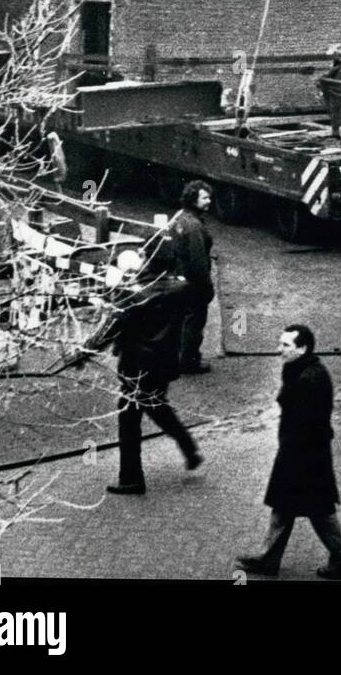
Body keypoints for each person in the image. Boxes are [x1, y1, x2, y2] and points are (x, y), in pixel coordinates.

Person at [78, 234, 203, 495]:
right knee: (157, 404)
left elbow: (111, 328)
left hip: (136, 363)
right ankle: (188, 447)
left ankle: (131, 478)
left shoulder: (134, 295)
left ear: (148, 260)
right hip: (166, 359)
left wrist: (83, 353)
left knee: (129, 417)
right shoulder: (180, 288)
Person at [237, 324, 341, 580]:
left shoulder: (309, 380)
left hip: (304, 455)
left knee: (319, 512)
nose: (278, 349)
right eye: (280, 343)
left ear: (302, 348)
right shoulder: (297, 369)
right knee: (286, 507)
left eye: (285, 345)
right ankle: (268, 558)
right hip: (301, 451)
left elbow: (305, 423)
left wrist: (289, 457)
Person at [170, 180, 215, 374]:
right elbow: (199, 261)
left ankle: (179, 357)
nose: (209, 201)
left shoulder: (181, 218)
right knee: (195, 322)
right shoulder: (195, 226)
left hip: (179, 278)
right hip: (194, 282)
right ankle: (189, 361)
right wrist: (207, 286)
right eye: (204, 198)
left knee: (182, 319)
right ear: (193, 199)